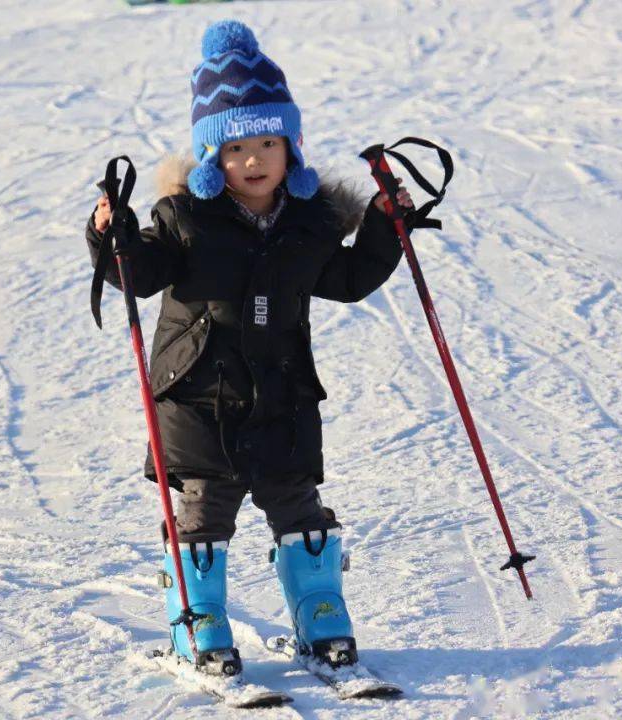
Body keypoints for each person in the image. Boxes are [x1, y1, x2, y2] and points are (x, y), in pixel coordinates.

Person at [85, 20, 414, 676]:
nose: (255, 159)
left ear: (291, 147)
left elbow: (347, 280)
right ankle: (198, 618)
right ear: (213, 160)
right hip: (199, 399)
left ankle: (320, 607)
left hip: (282, 395)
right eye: (236, 148)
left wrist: (384, 227)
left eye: (269, 142)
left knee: (298, 503)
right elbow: (139, 274)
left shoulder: (308, 224)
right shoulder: (185, 221)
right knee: (206, 508)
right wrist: (111, 237)